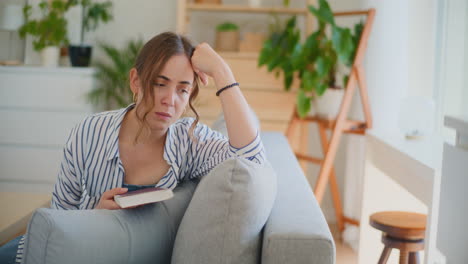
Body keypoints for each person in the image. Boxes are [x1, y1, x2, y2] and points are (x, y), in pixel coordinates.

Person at [0, 31, 265, 264]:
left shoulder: (190, 141)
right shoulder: (90, 131)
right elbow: (57, 221)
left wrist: (222, 71)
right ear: (135, 81)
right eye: (159, 84)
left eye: (183, 90)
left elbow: (252, 160)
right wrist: (95, 216)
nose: (169, 100)